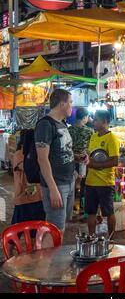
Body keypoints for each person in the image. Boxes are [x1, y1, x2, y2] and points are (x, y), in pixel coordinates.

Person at [35, 89, 80, 238]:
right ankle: (46, 260)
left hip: (68, 181)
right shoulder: (45, 125)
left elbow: (62, 150)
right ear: (62, 104)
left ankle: (53, 259)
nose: (72, 107)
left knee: (61, 226)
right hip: (56, 184)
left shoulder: (62, 124)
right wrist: (53, 188)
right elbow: (42, 159)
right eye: (71, 102)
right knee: (54, 229)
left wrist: (78, 158)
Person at [85, 110, 120, 237]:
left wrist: (95, 165)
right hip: (90, 181)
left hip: (105, 182)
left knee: (109, 212)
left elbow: (114, 161)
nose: (93, 122)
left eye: (96, 120)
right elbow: (89, 155)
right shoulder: (93, 137)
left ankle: (110, 238)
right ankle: (91, 237)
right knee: (91, 212)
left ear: (105, 121)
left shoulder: (112, 138)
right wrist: (85, 159)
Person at [11, 130, 45, 227]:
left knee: (36, 230)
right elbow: (26, 168)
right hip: (24, 199)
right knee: (17, 230)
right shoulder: (19, 154)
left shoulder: (35, 155)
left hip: (38, 198)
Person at [69, 107, 94, 213]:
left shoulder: (69, 129)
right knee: (84, 185)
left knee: (72, 184)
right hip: (84, 161)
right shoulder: (89, 131)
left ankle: (71, 207)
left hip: (71, 160)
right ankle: (83, 208)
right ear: (84, 117)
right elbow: (91, 147)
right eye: (88, 116)